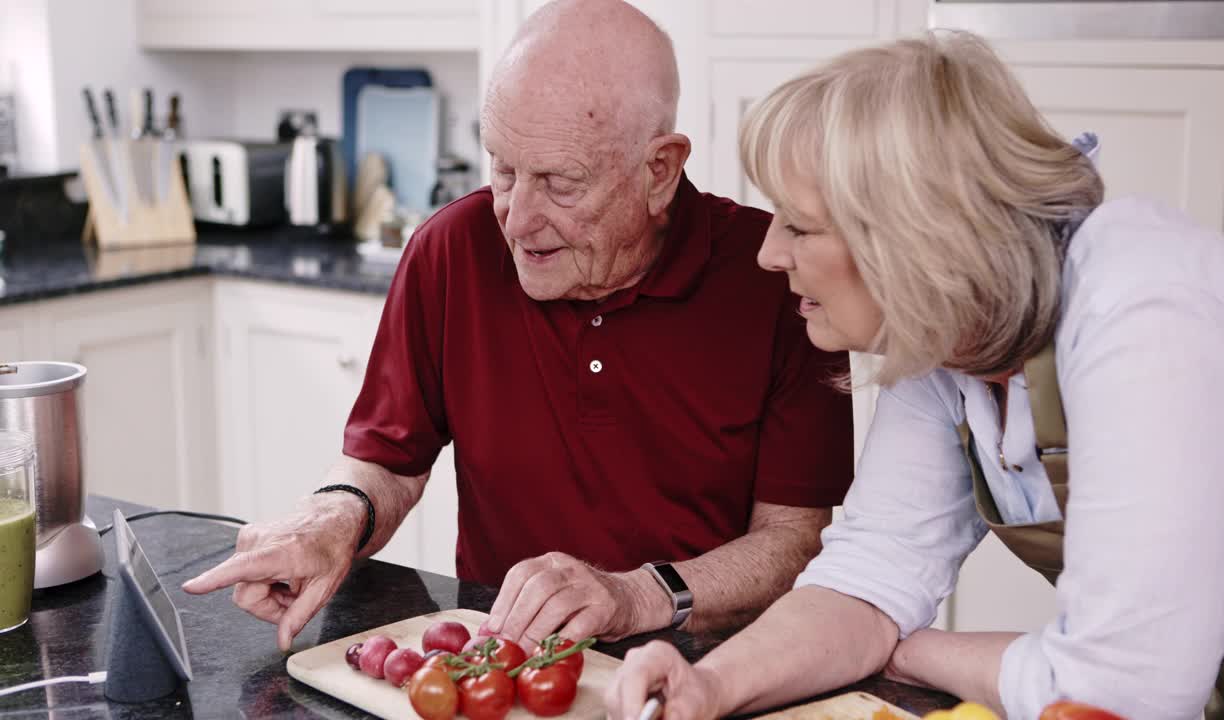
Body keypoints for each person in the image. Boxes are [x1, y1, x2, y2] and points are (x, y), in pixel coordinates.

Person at [606, 31, 1224, 720]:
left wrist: (909, 648)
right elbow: (870, 576)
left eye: (799, 226)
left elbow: (1111, 696)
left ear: (911, 241)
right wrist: (712, 686)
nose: (769, 253)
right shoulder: (950, 341)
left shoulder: (1149, 325)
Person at [182, 0, 855, 655]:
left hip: (712, 668)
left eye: (560, 183)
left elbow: (794, 539)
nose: (516, 219)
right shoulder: (452, 249)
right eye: (503, 168)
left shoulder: (776, 278)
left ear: (659, 171)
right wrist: (333, 516)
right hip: (501, 667)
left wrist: (637, 596)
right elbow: (389, 458)